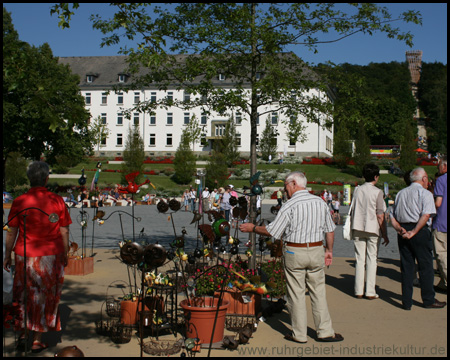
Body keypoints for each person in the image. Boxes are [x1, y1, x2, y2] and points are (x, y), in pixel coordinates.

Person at [240, 171, 343, 343]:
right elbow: (330, 229)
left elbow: (272, 231)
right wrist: (329, 251)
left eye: (286, 185)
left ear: (294, 184)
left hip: (295, 251)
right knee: (318, 292)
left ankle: (300, 334)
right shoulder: (320, 202)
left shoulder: (289, 205)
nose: (284, 189)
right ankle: (325, 331)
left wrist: (253, 228)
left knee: (296, 293)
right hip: (317, 249)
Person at [3, 161, 72, 353]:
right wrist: (65, 253)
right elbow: (64, 231)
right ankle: (37, 339)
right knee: (45, 295)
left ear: (29, 179)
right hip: (50, 254)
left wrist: (7, 254)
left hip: (25, 255)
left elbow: (11, 232)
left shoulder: (20, 201)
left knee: (24, 293)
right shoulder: (57, 201)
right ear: (47, 178)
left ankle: (24, 333)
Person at [390, 168, 446, 310]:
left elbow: (391, 215)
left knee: (407, 266)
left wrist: (399, 228)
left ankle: (406, 301)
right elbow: (426, 215)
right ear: (424, 179)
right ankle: (428, 299)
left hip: (403, 229)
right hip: (419, 230)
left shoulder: (401, 193)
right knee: (425, 266)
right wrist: (414, 231)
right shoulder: (425, 194)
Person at [350, 164, 389, 299]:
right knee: (372, 259)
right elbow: (380, 215)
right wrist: (385, 233)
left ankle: (358, 290)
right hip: (372, 228)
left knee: (360, 259)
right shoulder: (378, 192)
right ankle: (370, 291)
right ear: (376, 177)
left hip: (358, 227)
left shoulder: (357, 190)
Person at [432, 156, 447, 293]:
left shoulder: (441, 180)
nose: (438, 168)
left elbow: (438, 203)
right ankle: (443, 281)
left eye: (439, 166)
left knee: (441, 253)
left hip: (442, 221)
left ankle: (446, 280)